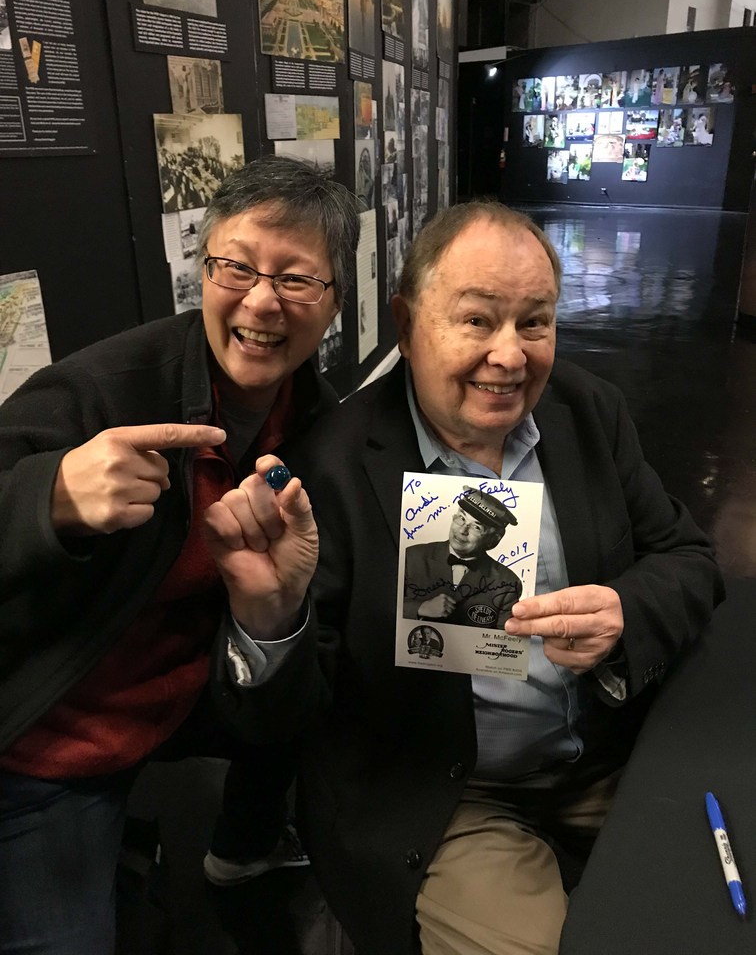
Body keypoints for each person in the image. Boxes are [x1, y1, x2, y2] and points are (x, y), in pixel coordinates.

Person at [225, 200, 724, 955]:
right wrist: (269, 617)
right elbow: (285, 718)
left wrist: (624, 612)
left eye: (535, 322)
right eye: (477, 320)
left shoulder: (589, 413)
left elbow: (688, 557)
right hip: (451, 792)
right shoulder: (331, 469)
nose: (510, 355)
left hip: (608, 753)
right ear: (406, 324)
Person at [0, 153, 359, 953]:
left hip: (190, 693)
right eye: (237, 267)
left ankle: (244, 841)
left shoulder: (320, 433)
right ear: (204, 271)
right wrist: (48, 500)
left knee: (328, 686)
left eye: (296, 279)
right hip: (54, 734)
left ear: (335, 301)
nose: (261, 301)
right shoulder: (102, 391)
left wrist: (271, 617)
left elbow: (291, 676)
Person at [403, 487, 522, 629]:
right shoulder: (411, 556)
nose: (462, 530)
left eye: (476, 527)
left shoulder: (508, 583)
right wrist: (420, 608)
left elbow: (505, 638)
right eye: (461, 518)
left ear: (494, 540)